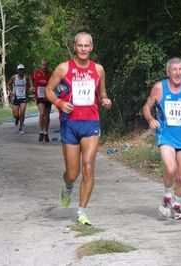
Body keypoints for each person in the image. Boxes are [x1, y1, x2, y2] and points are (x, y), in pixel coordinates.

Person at [45, 32, 112, 226]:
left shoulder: (98, 69)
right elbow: (48, 90)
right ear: (74, 47)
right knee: (72, 173)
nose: (83, 49)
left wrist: (105, 101)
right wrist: (59, 102)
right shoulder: (63, 68)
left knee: (89, 167)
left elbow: (102, 93)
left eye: (87, 46)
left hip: (91, 124)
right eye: (80, 46)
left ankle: (81, 211)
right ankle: (68, 185)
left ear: (92, 47)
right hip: (70, 124)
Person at [142, 57, 181, 220]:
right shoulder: (159, 88)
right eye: (174, 70)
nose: (177, 73)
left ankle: (176, 205)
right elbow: (147, 107)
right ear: (168, 72)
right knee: (171, 169)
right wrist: (150, 119)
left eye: (180, 70)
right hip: (166, 135)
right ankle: (166, 196)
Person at [30, 59, 52, 142]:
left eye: (46, 65)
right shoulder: (36, 73)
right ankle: (41, 132)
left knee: (47, 116)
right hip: (39, 97)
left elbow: (54, 84)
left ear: (48, 66)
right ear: (40, 65)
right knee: (42, 113)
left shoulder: (50, 74)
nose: (44, 67)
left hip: (48, 97)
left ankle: (46, 133)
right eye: (43, 65)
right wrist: (31, 86)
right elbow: (30, 78)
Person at [6, 64, 31, 134]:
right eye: (19, 69)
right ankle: (17, 119)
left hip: (23, 97)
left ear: (24, 70)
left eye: (22, 69)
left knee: (22, 114)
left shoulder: (26, 77)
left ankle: (21, 128)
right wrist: (10, 91)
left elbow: (29, 85)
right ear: (17, 70)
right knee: (16, 115)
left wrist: (29, 89)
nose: (21, 71)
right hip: (16, 97)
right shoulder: (14, 77)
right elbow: (8, 84)